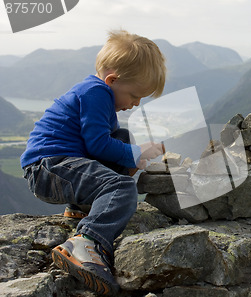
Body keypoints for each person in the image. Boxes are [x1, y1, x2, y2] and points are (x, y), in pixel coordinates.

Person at [20, 30, 167, 295]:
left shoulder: (99, 92)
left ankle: (83, 207)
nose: (136, 104)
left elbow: (104, 142)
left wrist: (131, 151)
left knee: (121, 136)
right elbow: (97, 145)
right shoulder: (96, 94)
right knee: (121, 188)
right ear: (112, 79)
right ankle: (86, 242)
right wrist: (135, 153)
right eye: (135, 95)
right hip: (49, 168)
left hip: (59, 164)